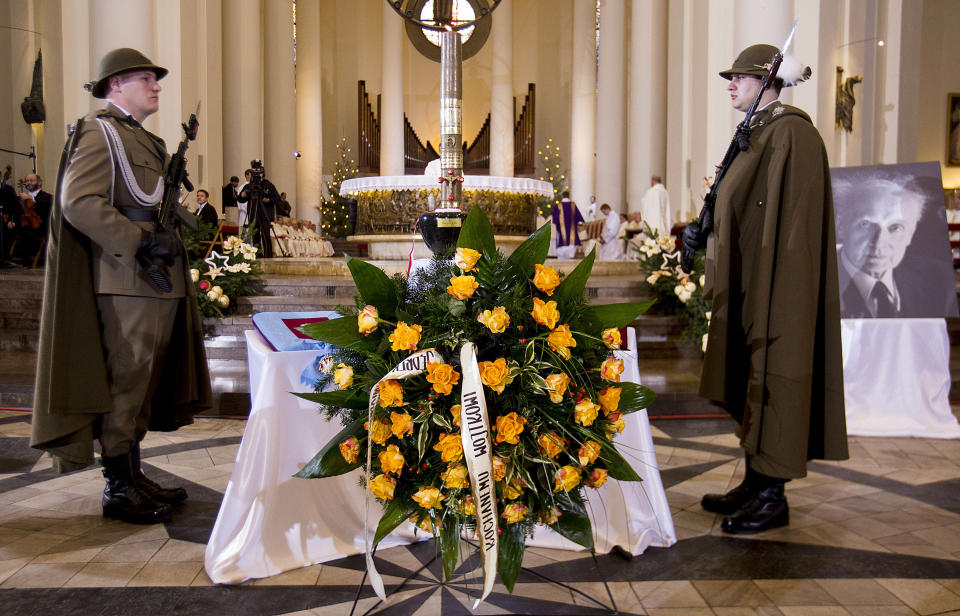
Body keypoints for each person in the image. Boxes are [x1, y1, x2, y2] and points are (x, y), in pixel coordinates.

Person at [30, 47, 212, 525]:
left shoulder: (145, 140)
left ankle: (132, 470)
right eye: (145, 78)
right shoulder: (98, 131)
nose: (156, 86)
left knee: (147, 383)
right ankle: (117, 486)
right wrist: (137, 241)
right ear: (115, 85)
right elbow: (79, 202)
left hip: (159, 276)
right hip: (127, 277)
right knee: (127, 381)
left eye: (156, 79)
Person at [690, 44, 848, 534]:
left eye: (740, 77)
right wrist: (704, 226)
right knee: (748, 376)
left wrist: (779, 294)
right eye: (730, 78)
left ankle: (772, 495)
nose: (731, 85)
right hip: (748, 281)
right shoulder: (754, 134)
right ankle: (756, 480)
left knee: (775, 377)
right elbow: (743, 205)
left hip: (777, 287)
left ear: (768, 81)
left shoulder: (792, 135)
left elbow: (794, 227)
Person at [834, 176, 955, 318]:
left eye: (895, 227)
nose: (879, 242)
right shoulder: (816, 282)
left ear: (910, 234)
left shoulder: (939, 282)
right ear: (841, 226)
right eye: (865, 224)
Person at [551, 190, 585, 259]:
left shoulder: (558, 205)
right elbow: (579, 218)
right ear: (569, 196)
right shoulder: (573, 205)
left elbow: (555, 220)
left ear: (562, 196)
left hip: (561, 239)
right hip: (572, 239)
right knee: (571, 256)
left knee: (561, 256)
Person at [638, 174, 672, 239]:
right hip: (663, 226)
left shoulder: (651, 192)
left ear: (652, 181)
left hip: (652, 225)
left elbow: (645, 208)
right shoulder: (665, 192)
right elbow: (667, 211)